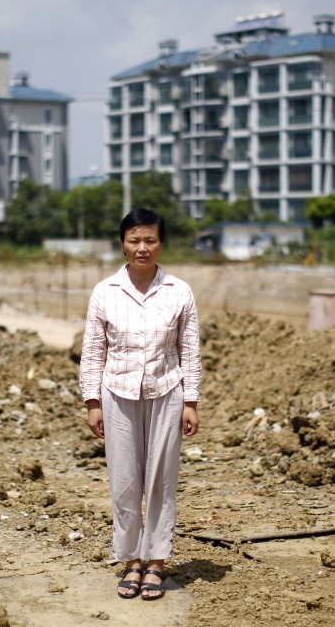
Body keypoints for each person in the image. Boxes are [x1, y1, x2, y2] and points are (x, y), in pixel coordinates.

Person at [78, 208, 201, 601]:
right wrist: (92, 401)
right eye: (135, 240)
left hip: (168, 393)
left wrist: (192, 401)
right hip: (117, 393)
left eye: (150, 240)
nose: (142, 248)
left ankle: (158, 562)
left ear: (161, 243)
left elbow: (190, 350)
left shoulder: (179, 291)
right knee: (125, 480)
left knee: (162, 480)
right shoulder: (105, 292)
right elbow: (94, 350)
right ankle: (132, 560)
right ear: (123, 243)